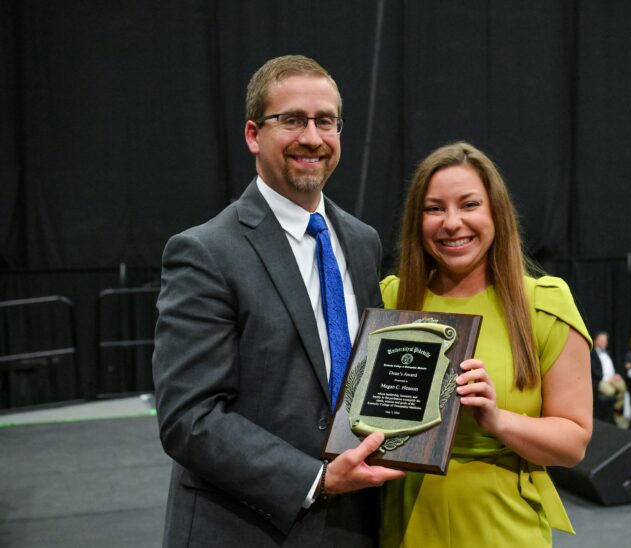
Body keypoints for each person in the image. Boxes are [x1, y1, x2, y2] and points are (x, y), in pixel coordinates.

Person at [152, 55, 402, 547]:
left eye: (325, 121)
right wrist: (315, 480)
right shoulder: (204, 252)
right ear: (253, 134)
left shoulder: (362, 240)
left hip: (353, 526)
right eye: (291, 120)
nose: (312, 136)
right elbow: (189, 418)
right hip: (243, 528)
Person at [380, 142, 593, 547]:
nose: (452, 223)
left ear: (496, 213)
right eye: (434, 209)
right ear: (416, 221)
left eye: (469, 205)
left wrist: (497, 420)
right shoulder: (390, 300)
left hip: (502, 529)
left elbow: (574, 444)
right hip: (402, 523)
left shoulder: (544, 304)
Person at [591, 331, 626, 412]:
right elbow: (593, 370)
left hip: (612, 378)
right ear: (596, 341)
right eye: (601, 340)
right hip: (600, 380)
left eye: (605, 340)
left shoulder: (608, 353)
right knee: (611, 391)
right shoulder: (592, 354)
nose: (604, 342)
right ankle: (606, 413)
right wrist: (606, 380)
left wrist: (616, 375)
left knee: (624, 388)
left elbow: (612, 367)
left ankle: (615, 409)